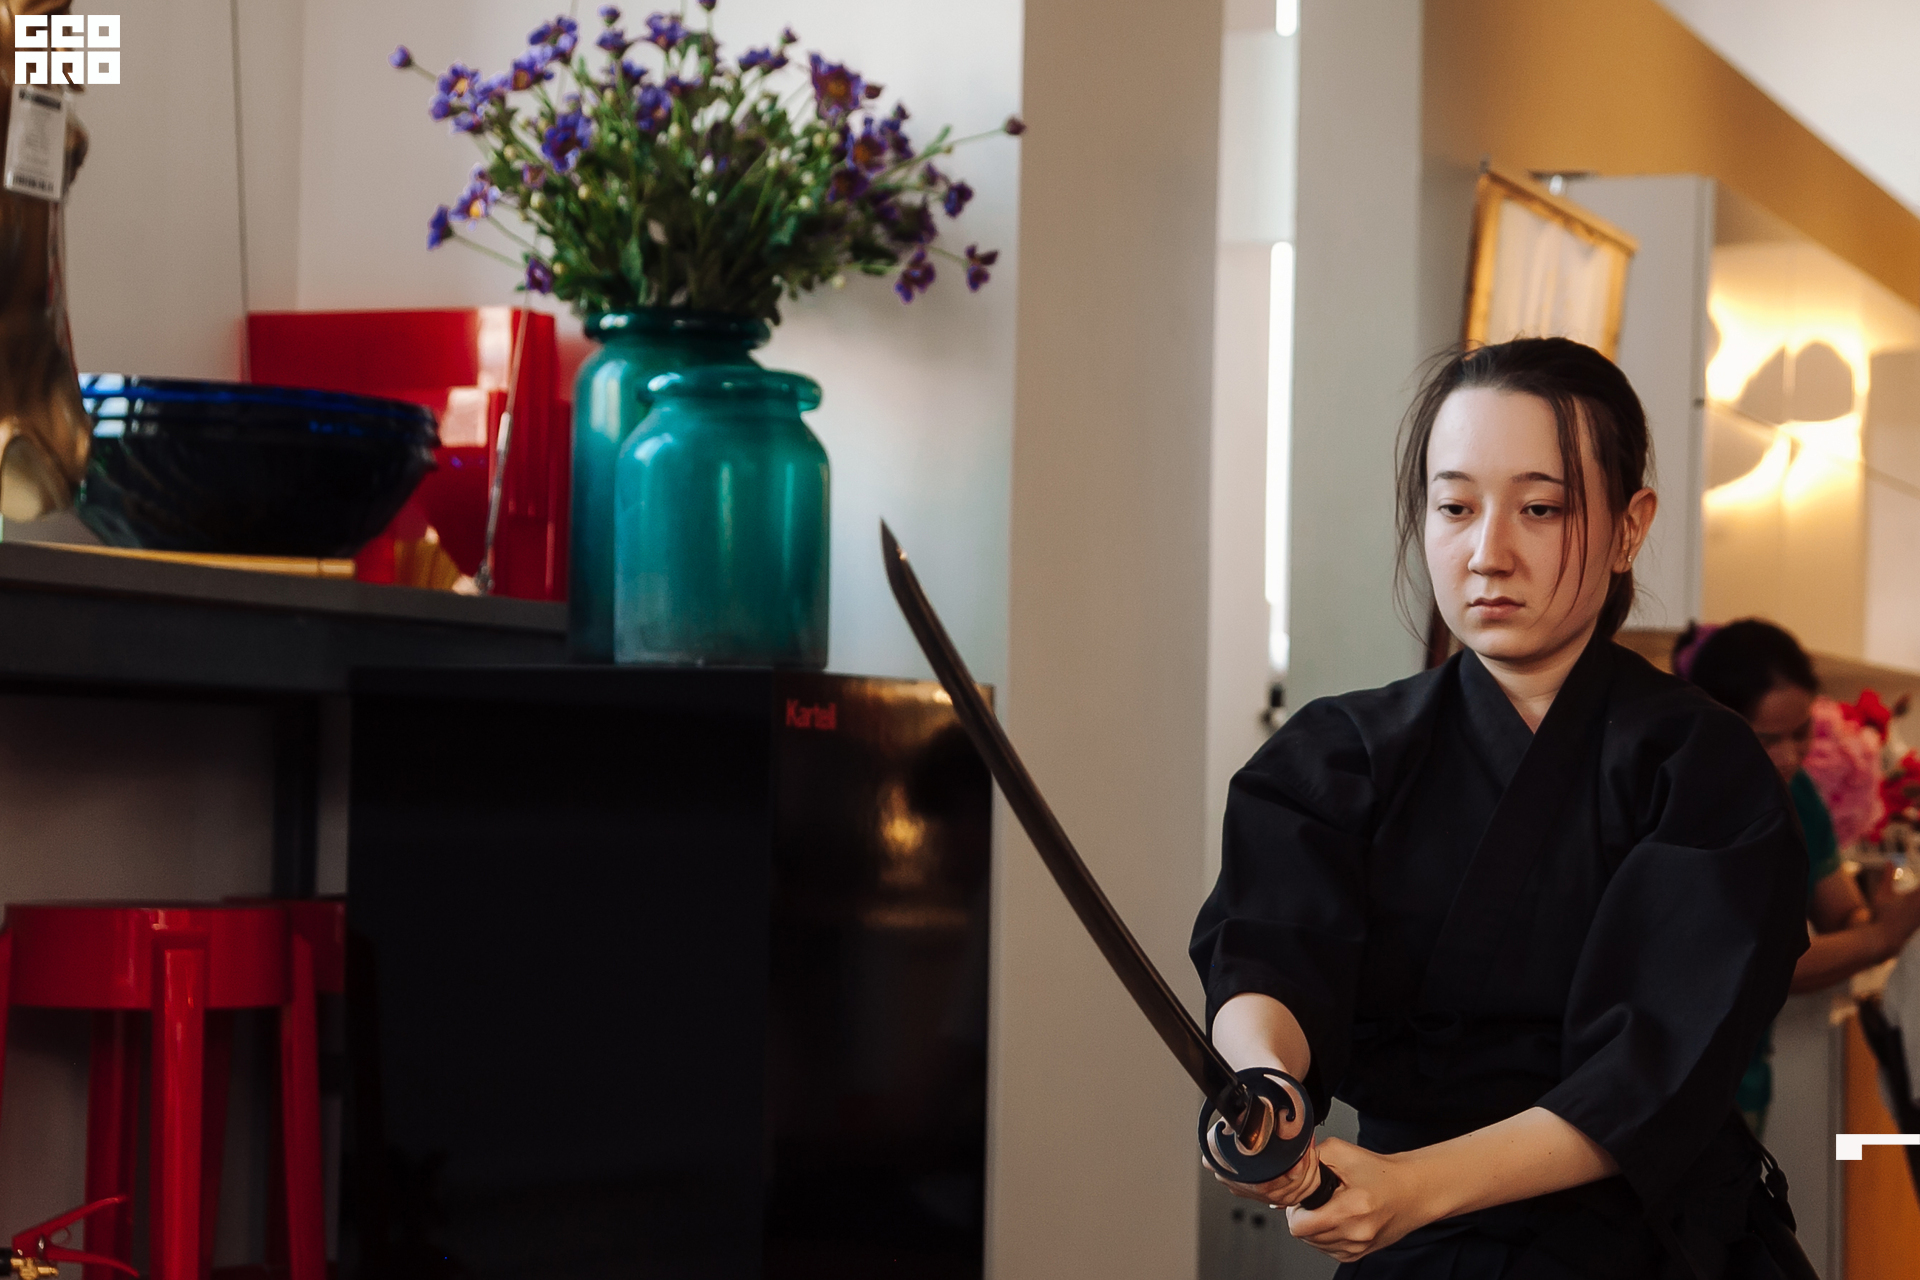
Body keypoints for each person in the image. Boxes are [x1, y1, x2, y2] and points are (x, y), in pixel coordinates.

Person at [1191, 337, 1811, 1276]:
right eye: (1455, 507)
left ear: (1630, 527)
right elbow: (1270, 956)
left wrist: (1420, 1185)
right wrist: (1266, 1082)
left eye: (1540, 508)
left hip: (1649, 1249)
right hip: (1420, 1247)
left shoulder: (1703, 766)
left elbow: (1655, 1063)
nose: (1488, 554)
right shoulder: (1334, 755)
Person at [1675, 618, 1920, 1134]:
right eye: (1767, 739)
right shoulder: (1687, 807)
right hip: (1679, 1086)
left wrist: (1872, 917)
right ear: (1714, 722)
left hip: (1747, 1076)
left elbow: (1839, 910)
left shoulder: (1798, 793)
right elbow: (1761, 963)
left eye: (1800, 732)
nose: (1788, 756)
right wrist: (1881, 937)